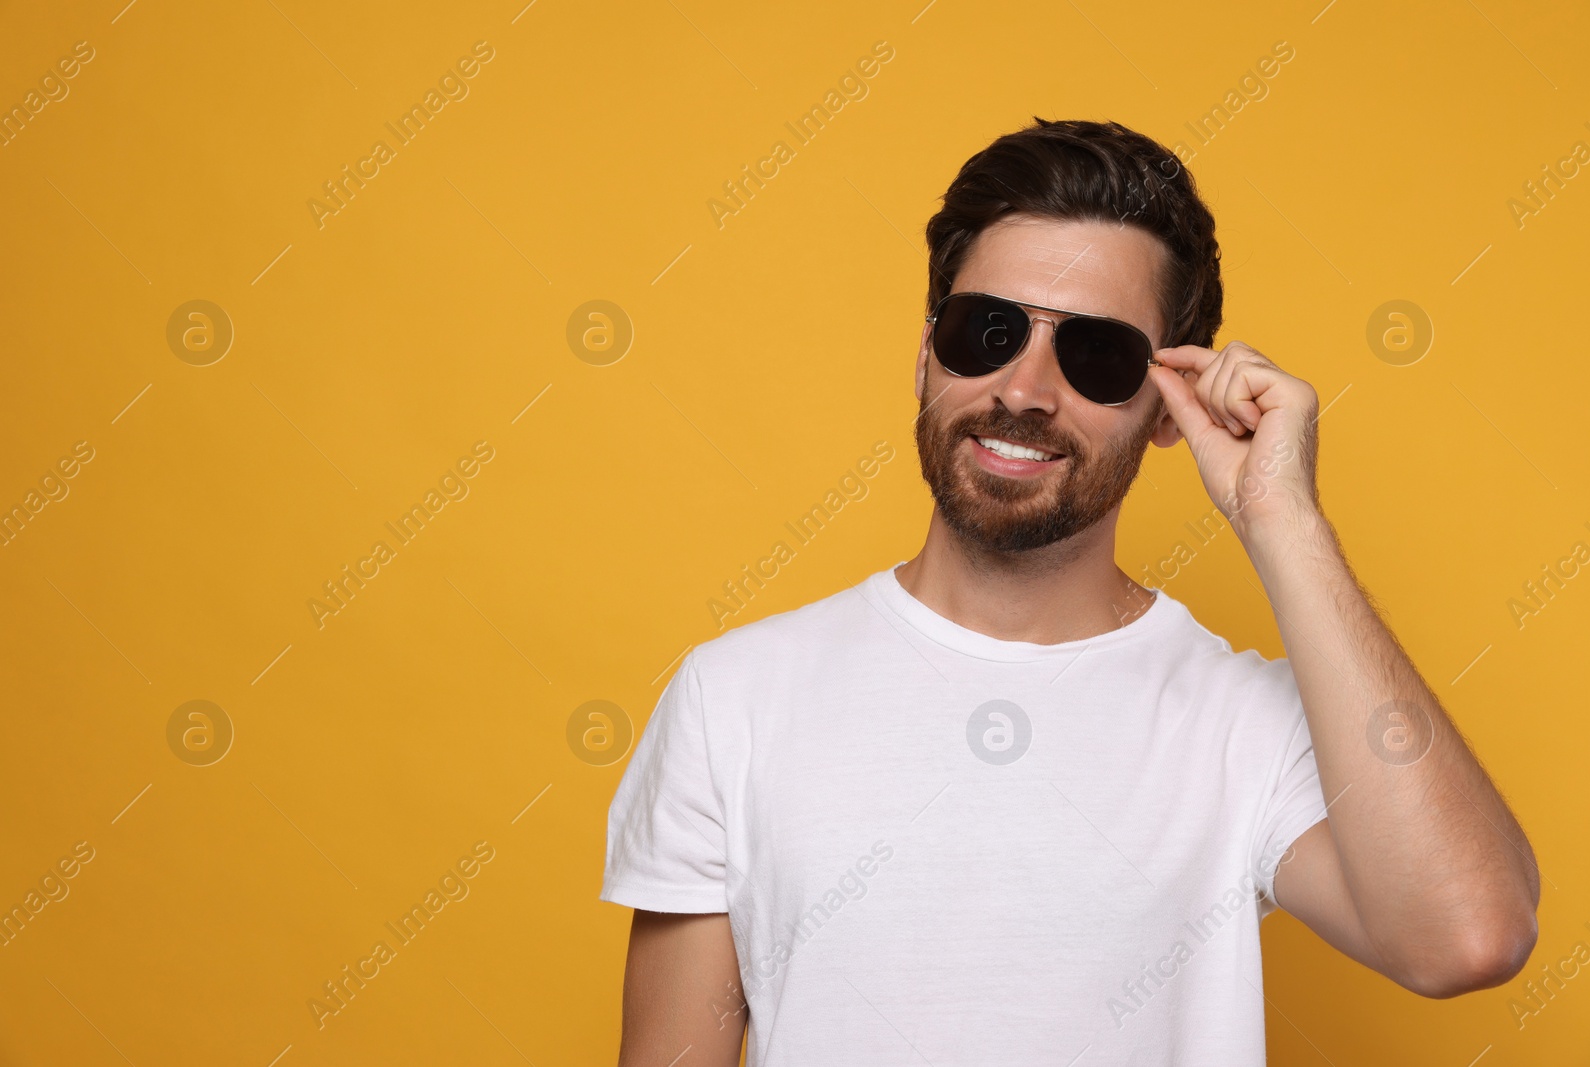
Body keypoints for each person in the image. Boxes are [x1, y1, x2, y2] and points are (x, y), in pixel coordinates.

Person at [599, 118, 1540, 1066]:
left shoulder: (1242, 722)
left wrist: (1283, 523)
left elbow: (1469, 935)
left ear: (1173, 400)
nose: (1027, 387)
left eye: (1097, 355)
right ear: (927, 353)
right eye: (989, 332)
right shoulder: (735, 698)